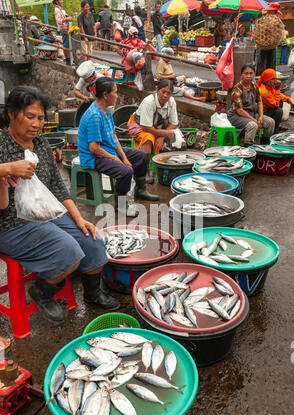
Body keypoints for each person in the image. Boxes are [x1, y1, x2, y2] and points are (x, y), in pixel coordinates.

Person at [0, 86, 119, 324]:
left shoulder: (42, 146)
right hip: (11, 223)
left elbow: (58, 187)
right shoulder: (2, 144)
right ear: (12, 114)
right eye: (30, 116)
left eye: (41, 118)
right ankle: (42, 291)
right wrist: (6, 169)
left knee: (92, 239)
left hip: (45, 213)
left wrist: (78, 218)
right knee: (68, 250)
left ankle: (93, 292)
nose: (36, 124)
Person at [77, 77, 159, 218]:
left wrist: (124, 157)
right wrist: (116, 158)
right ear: (105, 95)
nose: (117, 95)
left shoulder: (106, 111)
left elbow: (113, 136)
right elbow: (94, 148)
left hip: (107, 149)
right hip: (93, 157)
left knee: (140, 156)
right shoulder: (94, 116)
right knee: (125, 172)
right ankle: (120, 206)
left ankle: (140, 189)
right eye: (115, 92)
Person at [227, 64, 275, 146]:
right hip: (237, 116)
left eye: (251, 73)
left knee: (270, 122)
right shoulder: (237, 89)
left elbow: (259, 102)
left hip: (251, 114)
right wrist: (254, 120)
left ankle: (264, 144)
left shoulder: (254, 86)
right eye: (246, 73)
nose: (248, 76)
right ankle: (248, 146)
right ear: (241, 75)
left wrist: (260, 117)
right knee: (253, 125)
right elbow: (239, 110)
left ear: (254, 74)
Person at [128, 79, 179, 156]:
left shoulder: (171, 102)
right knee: (148, 138)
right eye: (163, 92)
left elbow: (173, 123)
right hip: (140, 126)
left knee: (179, 141)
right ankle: (144, 163)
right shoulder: (149, 101)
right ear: (157, 90)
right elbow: (146, 127)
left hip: (158, 129)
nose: (165, 95)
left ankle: (163, 163)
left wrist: (162, 137)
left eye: (168, 93)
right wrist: (164, 134)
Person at [257, 68, 294, 134]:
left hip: (268, 109)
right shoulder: (263, 91)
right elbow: (275, 104)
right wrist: (277, 89)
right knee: (278, 111)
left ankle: (277, 125)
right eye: (273, 79)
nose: (275, 81)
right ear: (267, 80)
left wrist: (289, 101)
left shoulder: (269, 86)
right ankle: (275, 131)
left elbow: (279, 96)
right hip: (261, 113)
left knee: (281, 102)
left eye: (275, 79)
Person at [53, 0, 72, 65]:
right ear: (56, 1)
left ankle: (69, 59)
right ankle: (68, 59)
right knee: (66, 44)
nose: (62, 1)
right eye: (60, 0)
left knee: (67, 44)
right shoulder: (57, 10)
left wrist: (67, 17)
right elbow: (59, 21)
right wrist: (67, 19)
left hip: (65, 28)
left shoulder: (60, 9)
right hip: (63, 29)